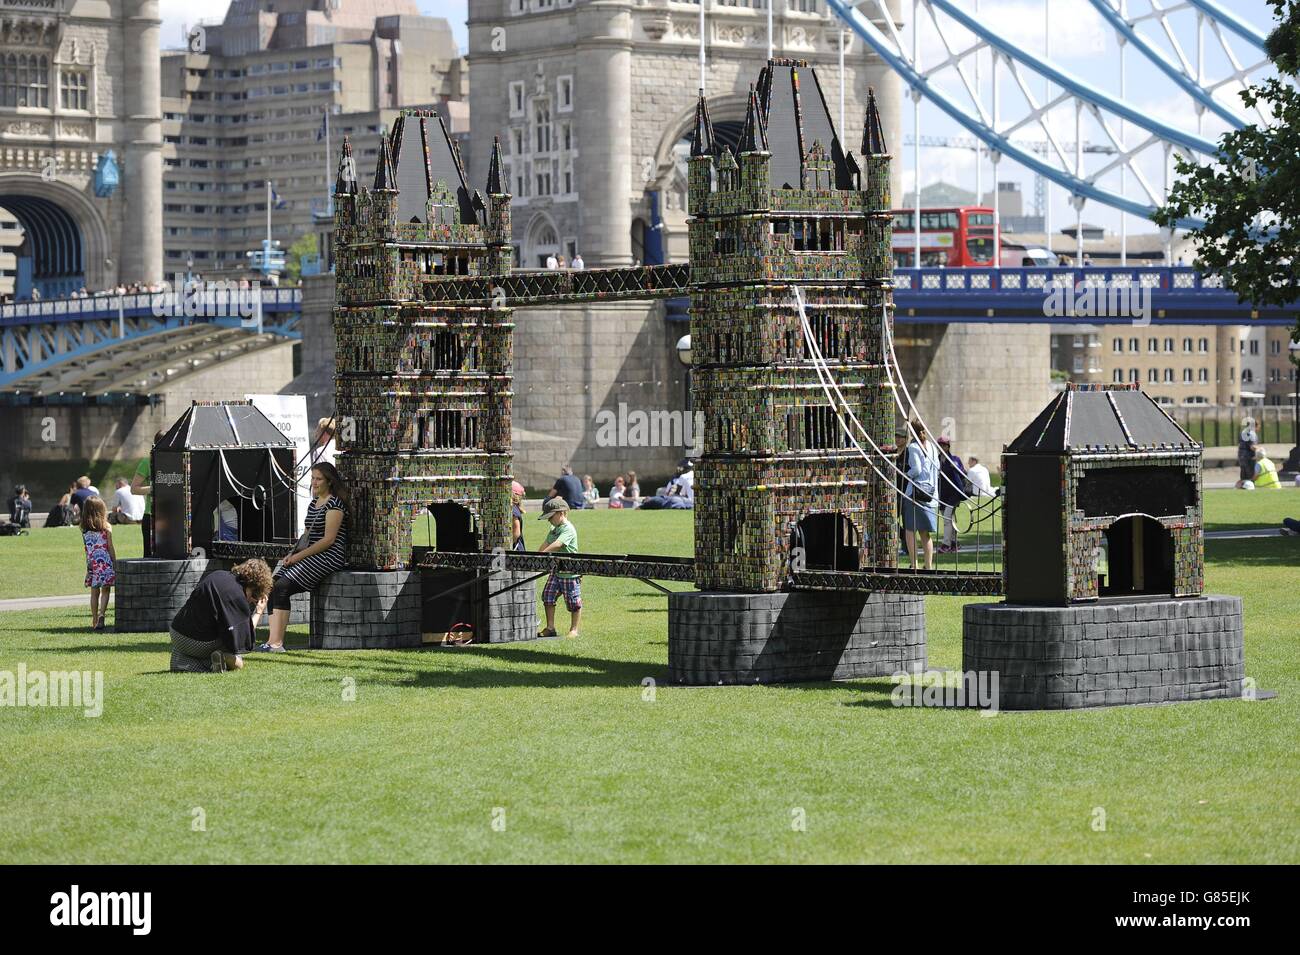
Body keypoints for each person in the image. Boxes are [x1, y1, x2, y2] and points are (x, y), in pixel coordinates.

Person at [256, 462, 349, 652]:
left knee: (283, 587)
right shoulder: (314, 503)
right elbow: (306, 536)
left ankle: (277, 642)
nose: (314, 482)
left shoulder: (335, 504)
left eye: (319, 479)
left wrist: (299, 558)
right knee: (272, 584)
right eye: (313, 478)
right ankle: (273, 641)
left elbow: (328, 540)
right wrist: (293, 553)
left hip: (328, 556)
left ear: (329, 482)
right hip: (309, 553)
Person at [169, 559, 273, 673]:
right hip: (198, 644)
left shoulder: (218, 574)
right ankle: (218, 659)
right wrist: (259, 611)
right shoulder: (238, 597)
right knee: (238, 661)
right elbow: (242, 636)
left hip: (176, 633)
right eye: (255, 594)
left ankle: (182, 662)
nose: (252, 600)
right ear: (252, 586)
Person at [537, 497, 581, 639]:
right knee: (548, 596)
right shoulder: (554, 529)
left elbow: (557, 544)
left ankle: (574, 629)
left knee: (573, 602)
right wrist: (536, 556)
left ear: (561, 513)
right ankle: (550, 627)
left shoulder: (568, 528)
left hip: (570, 572)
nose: (549, 520)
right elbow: (546, 543)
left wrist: (544, 554)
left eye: (551, 517)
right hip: (556, 571)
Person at [902, 421, 940, 571]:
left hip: (915, 494)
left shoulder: (913, 447)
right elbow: (937, 467)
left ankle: (914, 564)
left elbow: (916, 469)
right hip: (930, 494)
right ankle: (929, 565)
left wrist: (906, 474)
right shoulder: (931, 445)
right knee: (925, 533)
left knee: (910, 530)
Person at [80, 496, 116, 631]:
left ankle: (94, 618)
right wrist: (114, 561)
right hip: (105, 561)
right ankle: (102, 615)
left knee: (94, 592)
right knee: (106, 590)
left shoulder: (83, 528)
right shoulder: (107, 527)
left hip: (92, 563)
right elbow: (110, 547)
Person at [131, 431, 163, 556]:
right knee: (150, 555)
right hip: (151, 516)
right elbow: (134, 489)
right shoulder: (146, 463)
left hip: (172, 517)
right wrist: (154, 488)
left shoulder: (176, 460)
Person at [936, 437, 967, 553]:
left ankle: (945, 544)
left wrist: (956, 468)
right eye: (940, 445)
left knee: (947, 518)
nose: (942, 447)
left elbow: (964, 474)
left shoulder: (955, 459)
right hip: (942, 494)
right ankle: (954, 543)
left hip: (954, 494)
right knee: (950, 518)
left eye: (944, 445)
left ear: (948, 446)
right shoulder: (935, 459)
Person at [1236, 420, 1259, 487]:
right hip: (1249, 458)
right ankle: (1249, 488)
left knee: (1243, 476)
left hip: (1241, 457)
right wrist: (1261, 450)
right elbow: (1252, 447)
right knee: (1250, 477)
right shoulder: (1252, 434)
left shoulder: (1243, 433)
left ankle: (1241, 488)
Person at [511, 480, 527, 551]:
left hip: (516, 549)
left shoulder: (513, 509)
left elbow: (516, 532)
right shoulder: (514, 508)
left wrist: (509, 545)